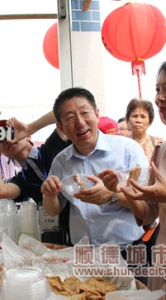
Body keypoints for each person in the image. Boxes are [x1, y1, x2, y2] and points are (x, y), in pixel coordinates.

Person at [41, 87, 149, 284]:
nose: (80, 122)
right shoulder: (60, 162)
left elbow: (146, 203)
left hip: (128, 252)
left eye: (84, 113)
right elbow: (55, 208)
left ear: (97, 114)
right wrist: (49, 195)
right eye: (70, 117)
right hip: (84, 257)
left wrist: (111, 196)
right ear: (61, 127)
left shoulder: (127, 150)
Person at [101, 61, 166, 296]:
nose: (160, 97)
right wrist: (123, 190)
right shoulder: (161, 150)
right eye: (158, 90)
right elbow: (150, 212)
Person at [0, 120, 72, 245]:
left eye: (12, 134)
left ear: (28, 137)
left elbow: (62, 111)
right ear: (3, 152)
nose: (8, 140)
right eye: (2, 141)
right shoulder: (23, 179)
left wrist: (30, 127)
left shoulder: (52, 146)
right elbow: (2, 191)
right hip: (61, 238)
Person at [125, 99, 163, 266]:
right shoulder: (121, 144)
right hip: (128, 211)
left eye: (143, 116)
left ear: (150, 120)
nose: (138, 120)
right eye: (134, 116)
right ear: (128, 120)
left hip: (156, 218)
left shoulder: (158, 143)